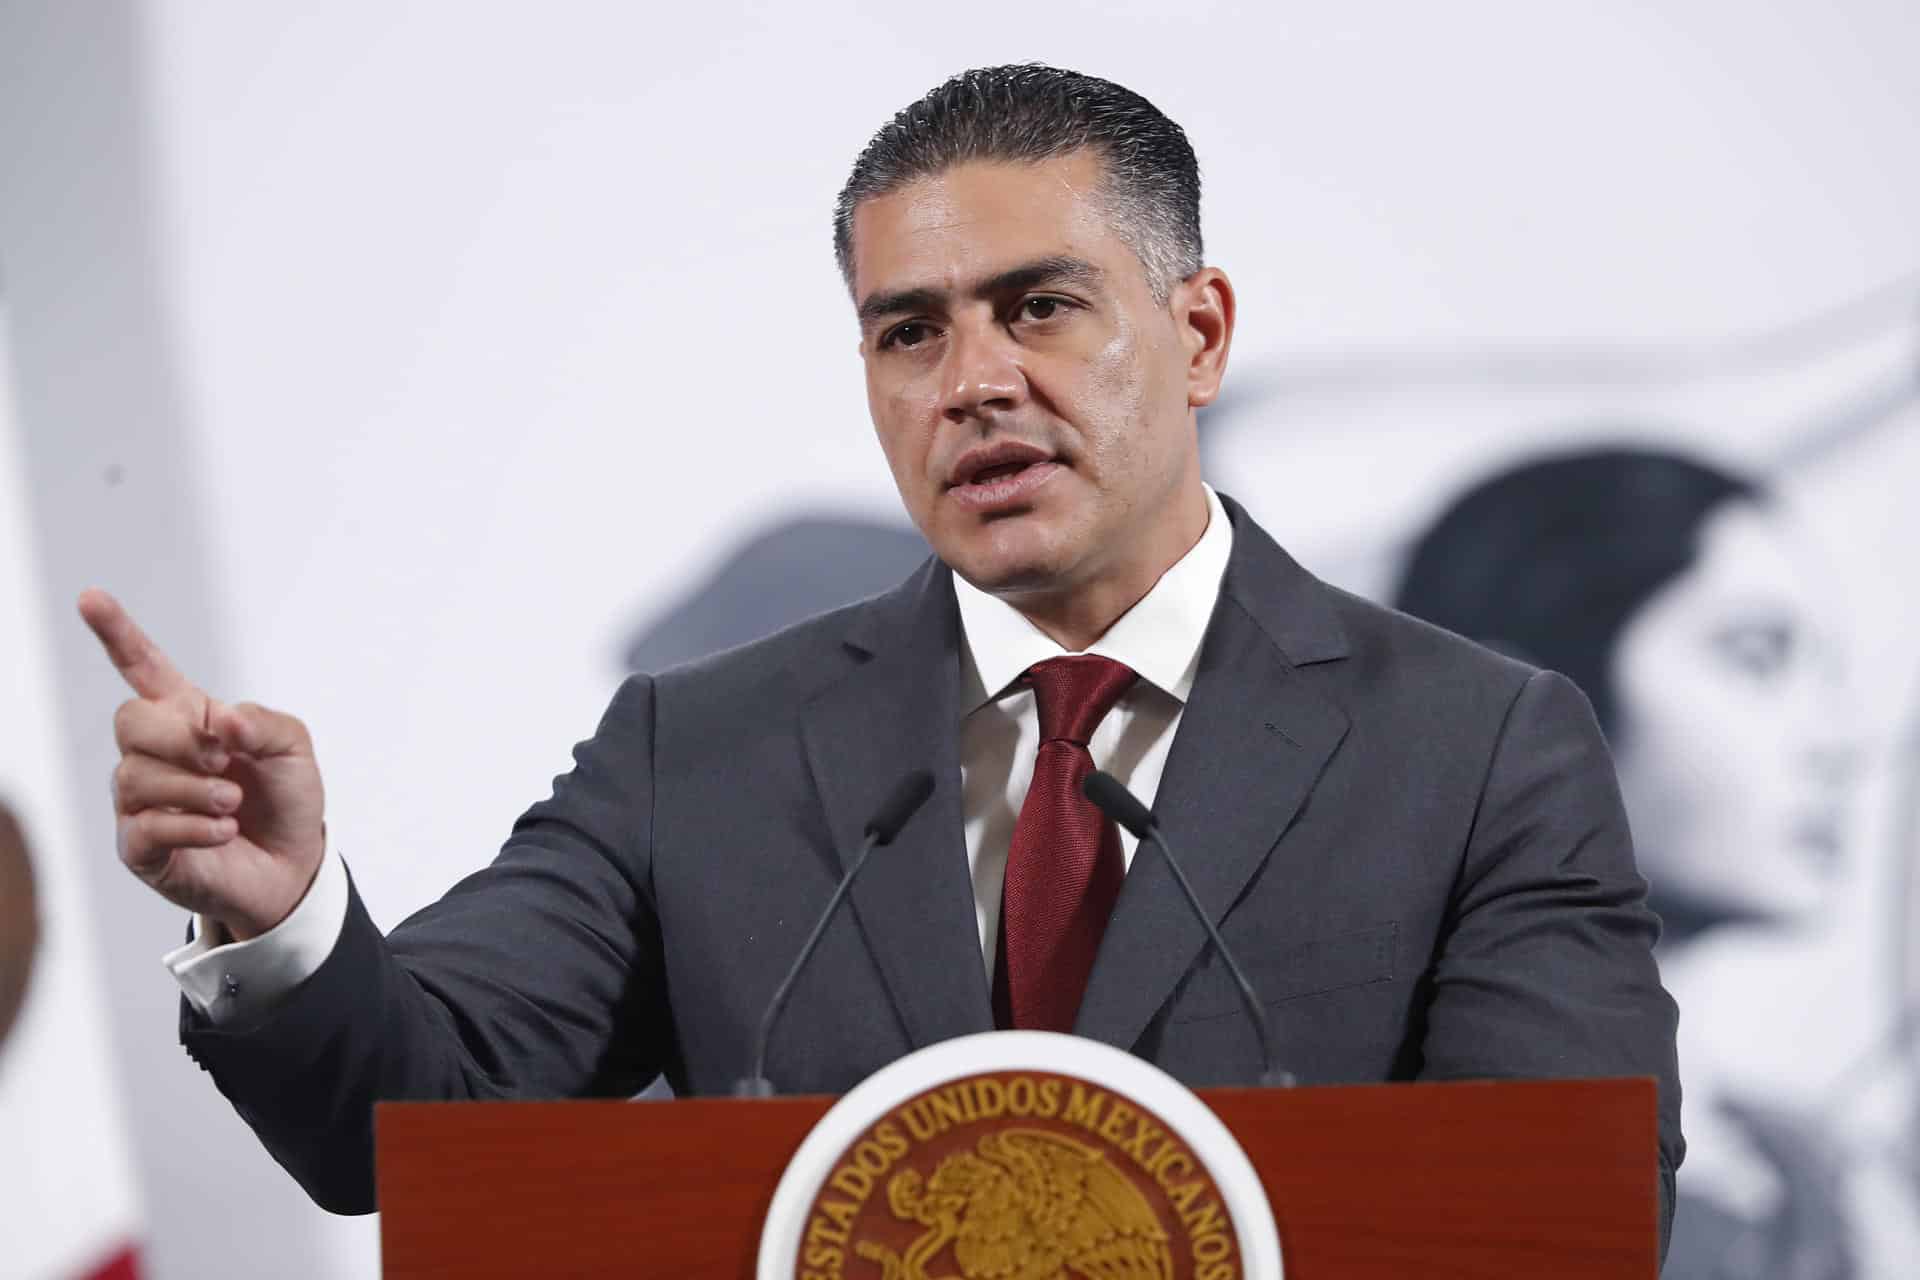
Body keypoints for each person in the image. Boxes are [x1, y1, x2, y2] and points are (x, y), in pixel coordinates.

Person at [80, 64, 1683, 1255]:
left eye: (1038, 308)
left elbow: (1563, 1219)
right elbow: (404, 1121)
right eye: (909, 330)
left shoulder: (1477, 750)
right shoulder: (700, 753)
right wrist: (279, 911)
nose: (970, 382)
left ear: (1198, 335)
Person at [1395, 447, 1895, 1278]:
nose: (1839, 741)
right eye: (1756, 657)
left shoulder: (1830, 1187)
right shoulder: (1367, 1153)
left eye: (1827, 673)